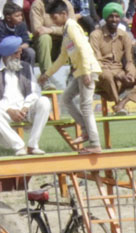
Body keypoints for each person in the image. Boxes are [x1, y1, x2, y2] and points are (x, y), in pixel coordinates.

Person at [40, 0, 101, 153]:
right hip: (80, 72)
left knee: (86, 106)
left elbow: (83, 48)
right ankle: (86, 130)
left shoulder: (72, 26)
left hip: (87, 70)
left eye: (55, 18)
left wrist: (86, 72)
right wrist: (47, 74)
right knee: (66, 99)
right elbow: (62, 57)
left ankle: (95, 143)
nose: (53, 21)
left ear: (64, 14)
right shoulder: (66, 31)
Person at [0, 34, 50, 154]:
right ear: (7, 55)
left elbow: (35, 91)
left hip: (25, 111)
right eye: (16, 53)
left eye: (20, 52)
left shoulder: (26, 67)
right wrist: (9, 110)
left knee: (44, 102)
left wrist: (25, 107)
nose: (19, 56)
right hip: (5, 111)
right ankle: (19, 146)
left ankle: (33, 145)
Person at [91, 1, 136, 115]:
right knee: (107, 75)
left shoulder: (124, 35)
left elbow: (129, 61)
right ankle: (117, 104)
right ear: (105, 17)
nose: (114, 20)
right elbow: (97, 62)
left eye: (117, 16)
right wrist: (116, 74)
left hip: (121, 76)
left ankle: (123, 103)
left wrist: (130, 74)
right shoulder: (96, 35)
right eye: (111, 16)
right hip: (103, 76)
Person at [29, 0, 76, 73]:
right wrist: (59, 30)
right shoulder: (38, 4)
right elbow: (37, 30)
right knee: (44, 37)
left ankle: (74, 71)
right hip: (44, 46)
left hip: (62, 43)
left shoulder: (66, 4)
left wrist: (52, 30)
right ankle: (47, 73)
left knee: (71, 36)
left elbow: (72, 28)